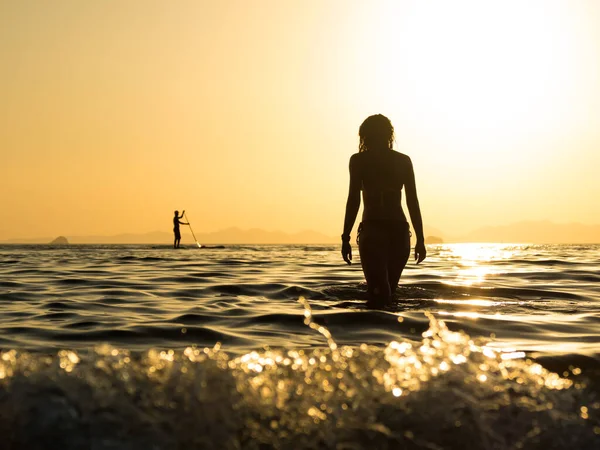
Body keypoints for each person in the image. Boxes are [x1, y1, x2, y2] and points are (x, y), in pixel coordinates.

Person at [341, 114, 426, 308]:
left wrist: (345, 236)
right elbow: (412, 202)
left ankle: (376, 334)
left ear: (365, 136)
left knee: (378, 292)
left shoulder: (359, 161)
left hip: (374, 230)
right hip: (399, 231)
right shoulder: (403, 161)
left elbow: (353, 200)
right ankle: (394, 332)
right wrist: (420, 239)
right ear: (389, 134)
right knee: (389, 292)